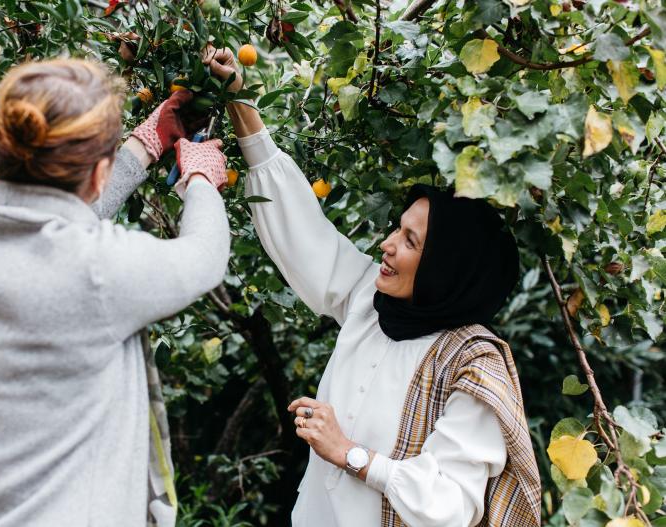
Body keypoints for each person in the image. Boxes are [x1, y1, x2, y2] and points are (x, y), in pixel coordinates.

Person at [203, 47, 541, 527]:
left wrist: (350, 454)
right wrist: (240, 102)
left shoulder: (472, 365)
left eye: (409, 240)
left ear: (446, 267)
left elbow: (453, 506)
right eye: (396, 229)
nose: (386, 245)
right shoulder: (372, 300)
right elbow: (303, 233)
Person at [0, 59, 229, 527]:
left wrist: (143, 147)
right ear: (98, 171)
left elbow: (46, 221)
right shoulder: (100, 270)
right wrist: (200, 178)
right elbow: (205, 255)